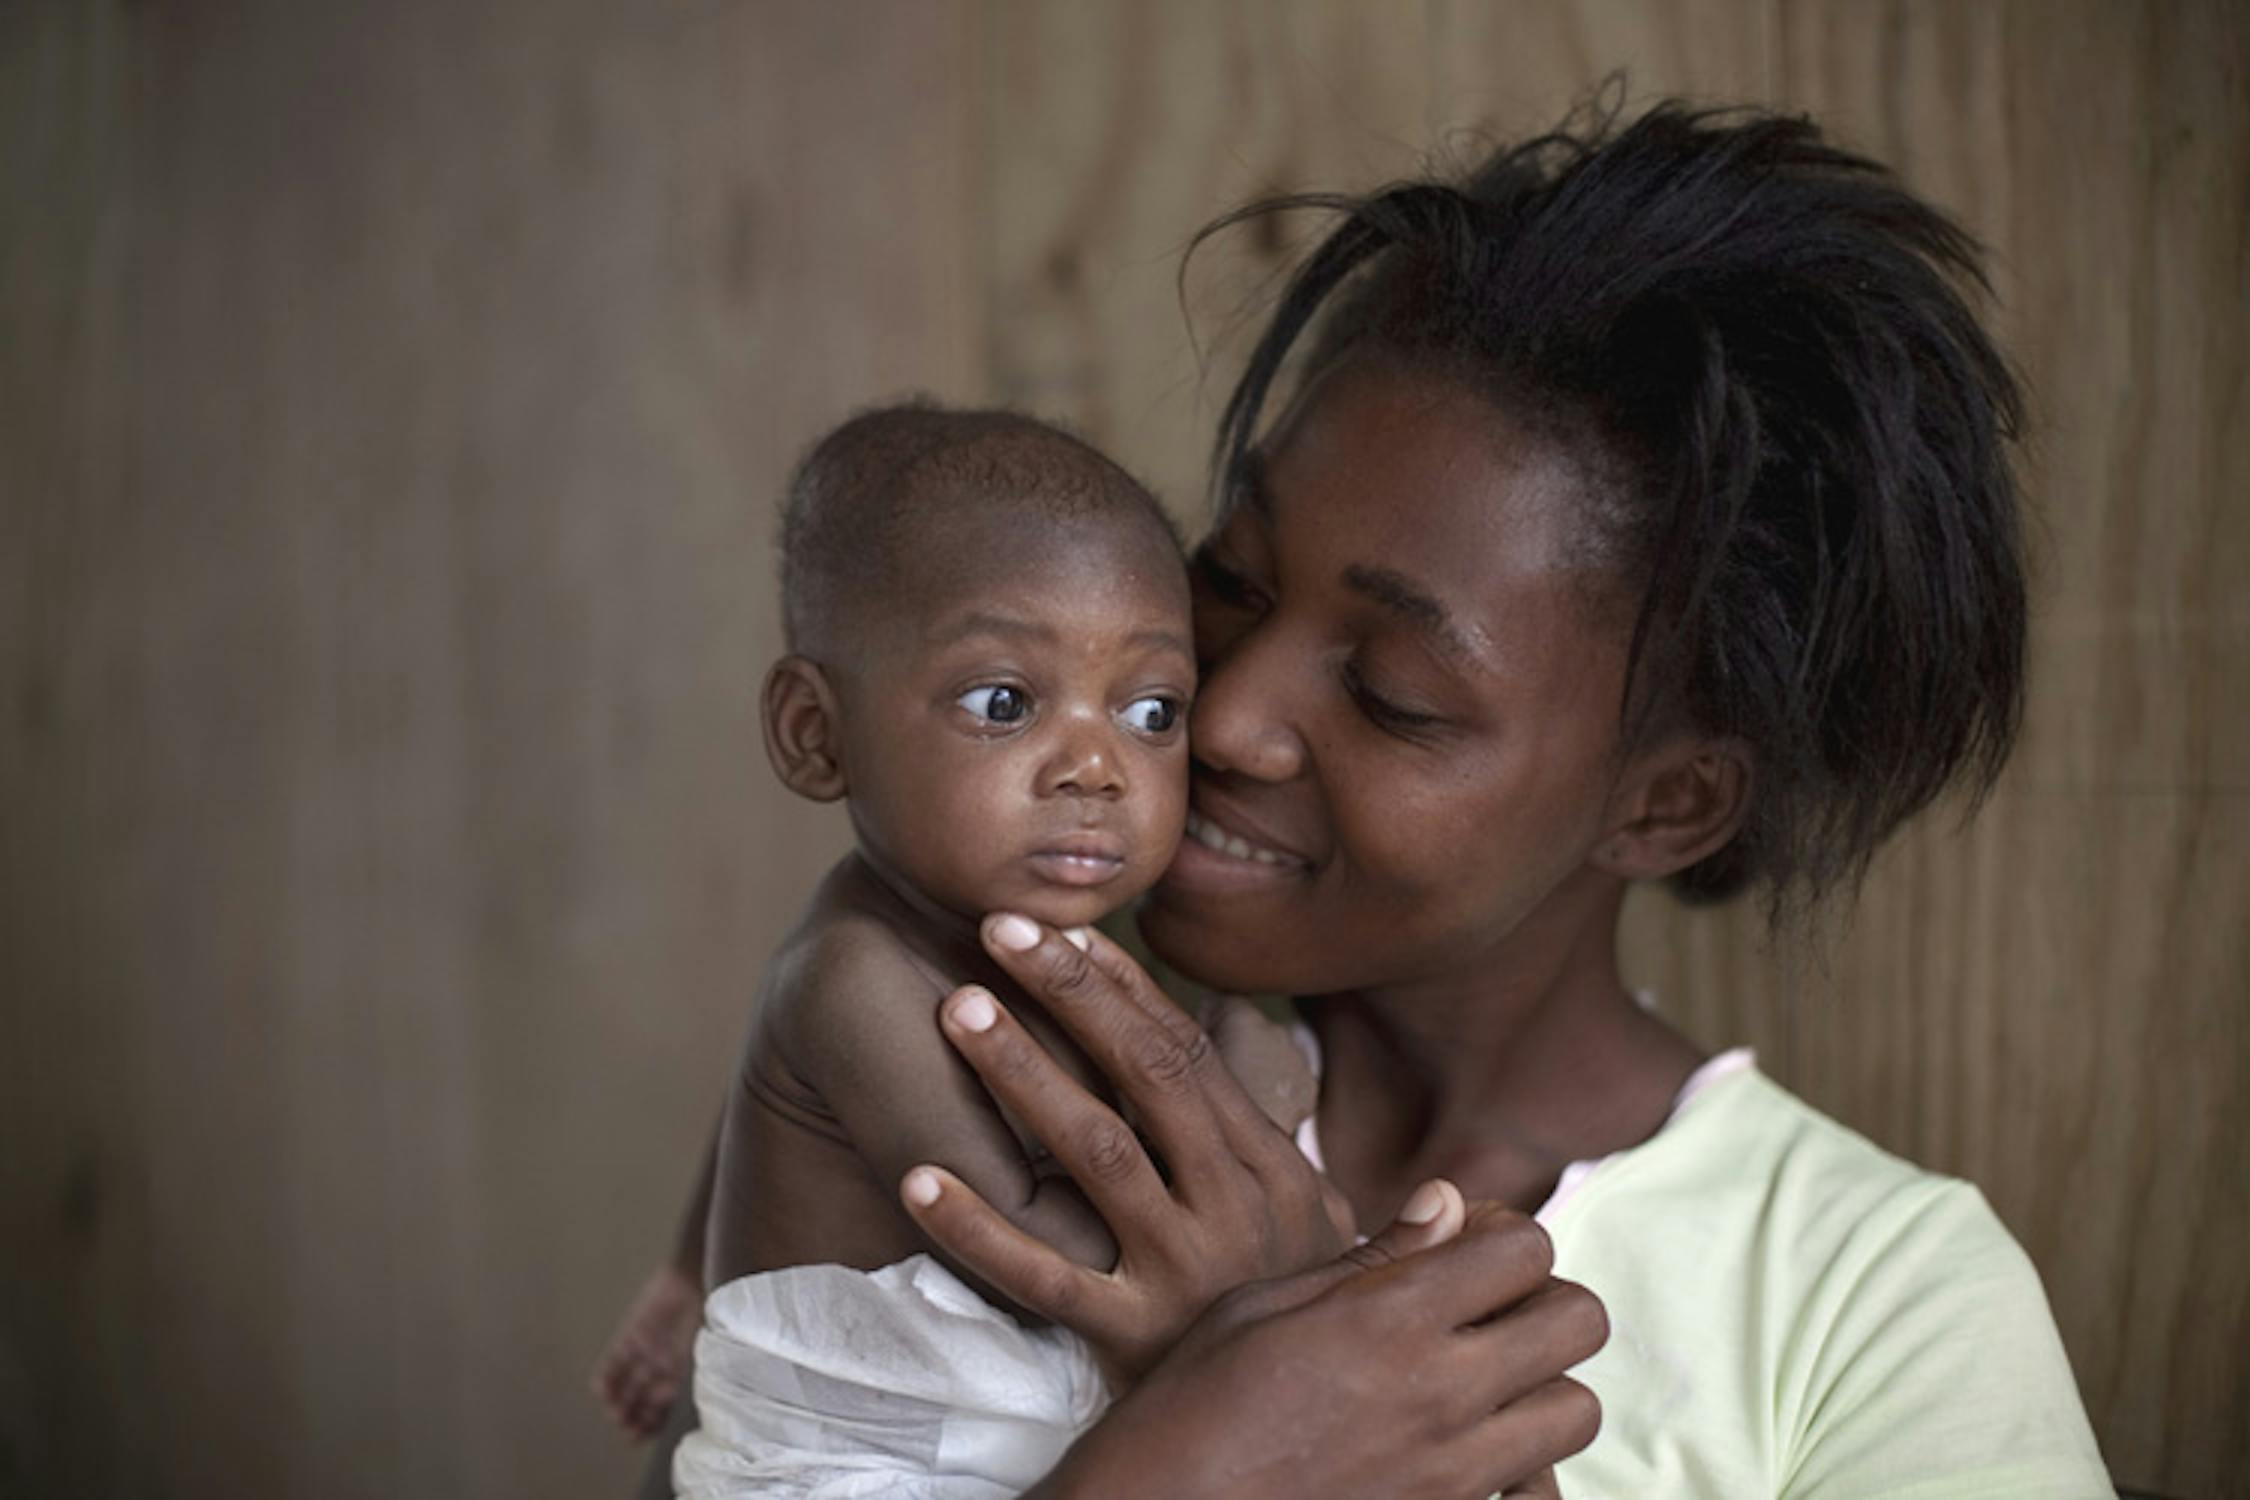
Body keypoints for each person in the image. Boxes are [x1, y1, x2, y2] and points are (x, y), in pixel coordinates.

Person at [641, 98, 2118, 1498]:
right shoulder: (975, 990)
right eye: (1228, 580)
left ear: (1664, 807)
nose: (1216, 718)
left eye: (1392, 692)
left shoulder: (1868, 1300)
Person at [610, 403, 1324, 1495]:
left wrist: (675, 1272)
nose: (1097, 769)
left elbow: (742, 1127)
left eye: (1150, 710)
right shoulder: (856, 978)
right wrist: (1271, 1148)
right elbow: (1048, 1259)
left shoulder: (1089, 933)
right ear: (818, 734)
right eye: (1005, 703)